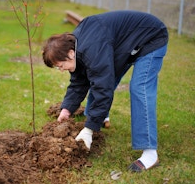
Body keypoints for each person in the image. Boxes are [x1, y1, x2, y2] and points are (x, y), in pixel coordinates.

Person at [42, 10, 168, 172]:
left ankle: (150, 153)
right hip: (124, 44)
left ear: (70, 54)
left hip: (150, 37)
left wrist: (88, 130)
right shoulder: (76, 47)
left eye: (60, 66)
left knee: (139, 88)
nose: (61, 70)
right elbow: (79, 82)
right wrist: (67, 109)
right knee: (98, 75)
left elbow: (103, 87)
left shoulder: (91, 49)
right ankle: (98, 117)